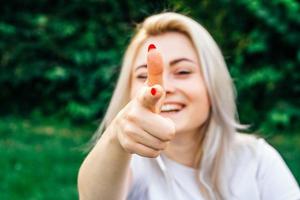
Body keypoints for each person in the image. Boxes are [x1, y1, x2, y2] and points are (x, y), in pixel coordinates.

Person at [77, 12, 300, 200]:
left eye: (183, 71)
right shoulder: (127, 164)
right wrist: (115, 138)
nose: (164, 88)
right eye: (143, 75)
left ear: (213, 83)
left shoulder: (255, 159)